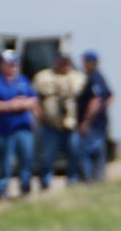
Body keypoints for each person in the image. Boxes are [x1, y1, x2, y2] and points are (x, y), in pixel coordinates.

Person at [0, 50, 38, 199]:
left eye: (15, 63)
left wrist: (23, 103)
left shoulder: (23, 81)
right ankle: (1, 191)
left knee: (26, 159)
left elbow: (34, 100)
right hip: (4, 129)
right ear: (2, 65)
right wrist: (10, 105)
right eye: (9, 63)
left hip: (23, 128)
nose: (13, 66)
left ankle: (25, 190)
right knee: (4, 162)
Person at [32, 49, 85, 192]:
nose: (64, 64)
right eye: (61, 61)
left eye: (67, 61)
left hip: (70, 125)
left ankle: (73, 184)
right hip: (50, 126)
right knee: (46, 158)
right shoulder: (43, 77)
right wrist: (39, 116)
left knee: (75, 155)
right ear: (55, 61)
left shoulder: (78, 77)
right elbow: (35, 99)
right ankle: (45, 185)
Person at [75, 50, 113, 183]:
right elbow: (109, 96)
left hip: (93, 125)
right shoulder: (100, 77)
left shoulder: (93, 78)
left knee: (85, 153)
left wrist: (87, 120)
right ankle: (99, 182)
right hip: (100, 123)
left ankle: (89, 182)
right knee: (98, 154)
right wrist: (102, 109)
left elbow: (96, 100)